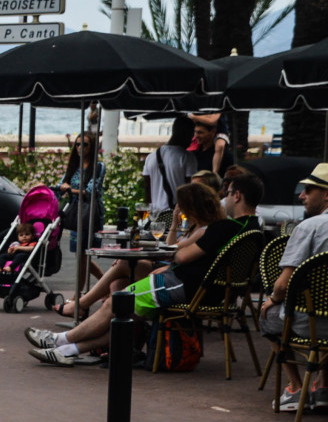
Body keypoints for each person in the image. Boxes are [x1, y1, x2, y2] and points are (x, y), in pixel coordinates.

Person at [25, 176, 263, 366]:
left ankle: (59, 339)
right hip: (210, 291)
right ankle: (67, 349)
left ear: (238, 195)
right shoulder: (253, 229)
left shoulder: (224, 228)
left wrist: (174, 259)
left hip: (182, 285)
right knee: (123, 313)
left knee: (116, 303)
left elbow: (181, 255)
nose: (226, 198)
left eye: (229, 193)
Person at [54, 179, 219, 319]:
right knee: (117, 284)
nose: (180, 208)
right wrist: (175, 224)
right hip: (171, 270)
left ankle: (82, 305)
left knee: (124, 265)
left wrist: (161, 261)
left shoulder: (205, 230)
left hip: (177, 278)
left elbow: (173, 249)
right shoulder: (195, 227)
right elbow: (172, 245)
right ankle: (117, 341)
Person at [260, 163, 328, 411]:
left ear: (327, 194)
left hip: (308, 323)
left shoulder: (310, 227)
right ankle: (323, 388)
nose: (301, 195)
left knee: (268, 316)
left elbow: (283, 285)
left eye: (308, 190)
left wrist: (273, 300)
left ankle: (295, 387)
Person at [59, 130, 105, 278]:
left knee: (84, 256)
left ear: (91, 147)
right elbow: (61, 186)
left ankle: (79, 294)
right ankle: (105, 286)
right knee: (80, 256)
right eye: (77, 144)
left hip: (90, 213)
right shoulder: (73, 166)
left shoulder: (98, 167)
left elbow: (91, 190)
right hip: (76, 214)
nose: (80, 147)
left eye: (84, 144)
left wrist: (70, 189)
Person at [142, 115, 194, 218]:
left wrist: (146, 216)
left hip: (154, 216)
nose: (192, 139)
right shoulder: (187, 157)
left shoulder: (151, 157)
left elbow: (147, 190)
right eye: (191, 135)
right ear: (186, 134)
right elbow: (191, 189)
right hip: (176, 216)